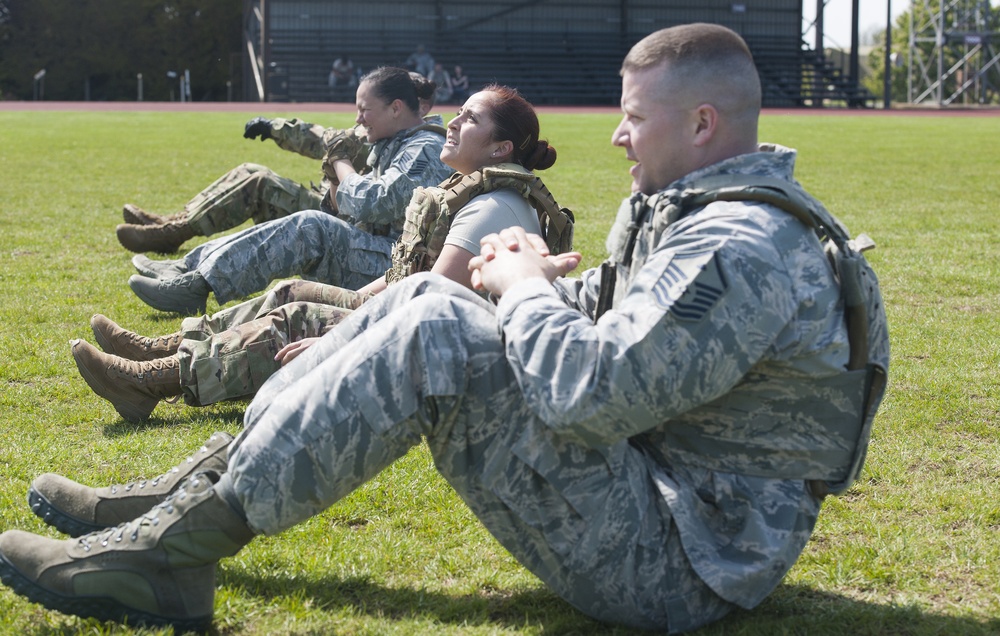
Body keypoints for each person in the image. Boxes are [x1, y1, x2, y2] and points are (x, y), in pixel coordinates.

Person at [0, 23, 890, 634]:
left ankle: (167, 559)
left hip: (690, 560)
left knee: (436, 327)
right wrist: (515, 292)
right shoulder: (688, 212)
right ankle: (173, 506)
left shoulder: (741, 243)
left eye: (634, 117)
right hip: (658, 493)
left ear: (702, 124)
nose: (618, 138)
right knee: (423, 305)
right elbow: (614, 330)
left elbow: (588, 398)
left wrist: (520, 287)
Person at [70, 86, 563, 422]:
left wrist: (335, 337)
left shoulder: (490, 208)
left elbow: (424, 306)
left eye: (470, 119)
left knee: (296, 316)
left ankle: (150, 382)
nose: (453, 122)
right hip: (427, 336)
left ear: (500, 150)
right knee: (295, 290)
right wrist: (347, 302)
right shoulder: (477, 192)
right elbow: (403, 278)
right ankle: (165, 349)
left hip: (446, 367)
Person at [124, 68, 455, 315]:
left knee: (311, 225)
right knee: (301, 214)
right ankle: (190, 270)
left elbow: (375, 202)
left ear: (396, 108)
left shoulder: (424, 148)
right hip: (382, 255)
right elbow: (334, 161)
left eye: (364, 110)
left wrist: (340, 164)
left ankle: (198, 285)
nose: (357, 118)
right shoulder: (391, 139)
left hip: (394, 268)